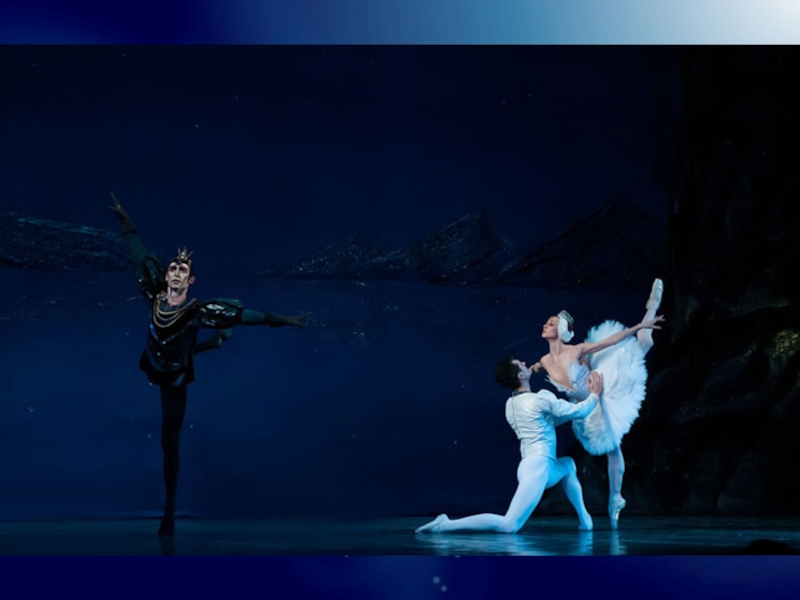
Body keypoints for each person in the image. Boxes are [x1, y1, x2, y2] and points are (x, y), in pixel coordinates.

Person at [108, 193, 310, 537]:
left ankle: (169, 509)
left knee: (169, 440)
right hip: (156, 360)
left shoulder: (197, 312)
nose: (176, 272)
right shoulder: (155, 295)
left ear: (190, 281)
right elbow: (138, 256)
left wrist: (283, 319)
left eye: (183, 270)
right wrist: (127, 223)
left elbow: (246, 316)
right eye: (173, 268)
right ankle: (213, 343)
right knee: (181, 349)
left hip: (174, 377)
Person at [531, 278, 664, 529]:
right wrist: (525, 372)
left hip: (605, 386)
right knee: (611, 447)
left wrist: (639, 325)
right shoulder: (545, 360)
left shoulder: (576, 350)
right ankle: (616, 498)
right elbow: (537, 367)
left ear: (561, 330)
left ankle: (652, 308)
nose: (545, 325)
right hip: (584, 407)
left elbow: (610, 341)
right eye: (546, 322)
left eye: (551, 323)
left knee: (645, 342)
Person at [415, 358, 603, 534]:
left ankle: (585, 520)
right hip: (538, 467)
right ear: (520, 375)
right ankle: (446, 524)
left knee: (569, 465)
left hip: (537, 465)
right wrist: (594, 395)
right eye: (521, 364)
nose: (525, 363)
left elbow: (550, 422)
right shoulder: (539, 399)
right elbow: (578, 412)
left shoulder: (511, 404)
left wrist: (575, 403)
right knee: (510, 525)